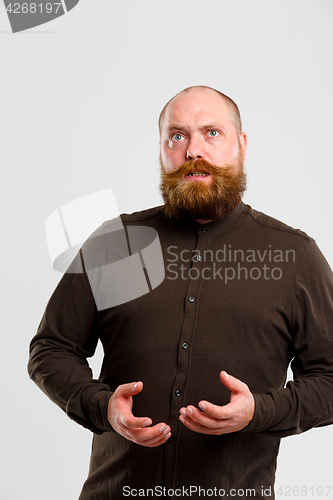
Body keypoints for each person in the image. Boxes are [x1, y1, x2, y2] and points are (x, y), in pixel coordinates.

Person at [28, 86, 333, 499]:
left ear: (241, 145)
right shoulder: (115, 243)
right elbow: (51, 348)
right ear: (161, 149)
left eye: (211, 133)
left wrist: (259, 412)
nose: (193, 150)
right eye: (177, 136)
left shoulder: (294, 255)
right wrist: (102, 407)